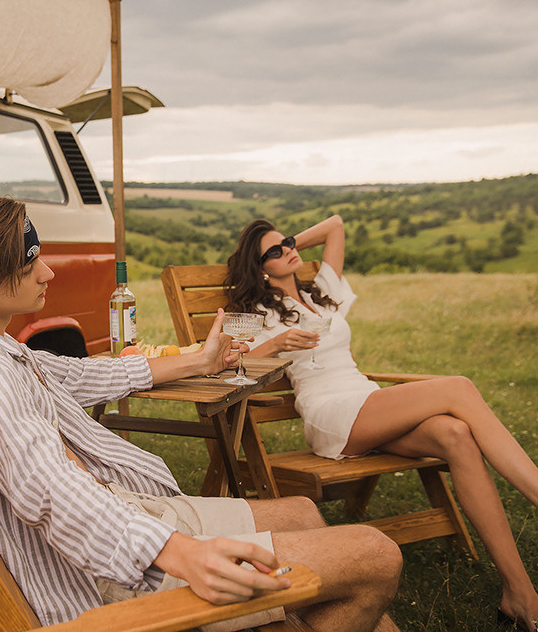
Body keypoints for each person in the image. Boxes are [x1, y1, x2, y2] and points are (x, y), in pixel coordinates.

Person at [0, 192, 402, 631]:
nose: (48, 272)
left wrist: (201, 361)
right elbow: (48, 488)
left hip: (128, 513)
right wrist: (183, 554)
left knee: (305, 514)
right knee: (375, 555)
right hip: (108, 568)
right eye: (30, 263)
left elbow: (86, 376)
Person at [228, 214, 538, 631]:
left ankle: (519, 594)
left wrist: (282, 247)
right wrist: (278, 342)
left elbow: (337, 224)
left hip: (365, 397)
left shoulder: (319, 291)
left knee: (456, 434)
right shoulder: (260, 311)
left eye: (288, 242)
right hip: (330, 411)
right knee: (458, 388)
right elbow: (232, 364)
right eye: (274, 251)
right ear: (259, 267)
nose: (288, 250)